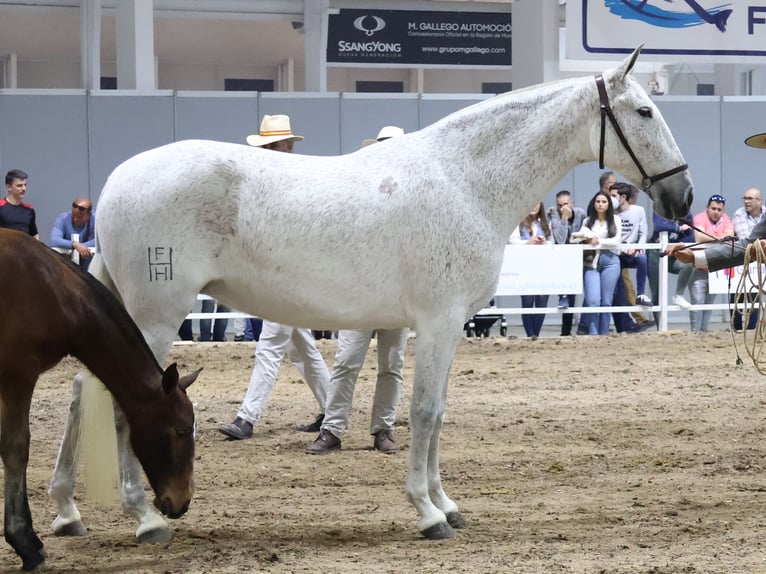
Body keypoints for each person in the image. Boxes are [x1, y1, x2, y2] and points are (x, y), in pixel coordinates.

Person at [220, 114, 329, 440]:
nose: (267, 150)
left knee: (269, 348)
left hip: (290, 278)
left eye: (272, 145)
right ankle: (334, 409)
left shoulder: (294, 183)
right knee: (302, 350)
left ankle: (246, 418)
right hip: (282, 276)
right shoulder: (277, 181)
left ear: (284, 146)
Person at [307, 125, 409, 455]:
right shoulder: (358, 193)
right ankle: (333, 428)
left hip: (397, 293)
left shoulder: (413, 196)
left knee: (391, 365)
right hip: (361, 291)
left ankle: (383, 428)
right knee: (347, 360)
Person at [571, 190, 622, 335]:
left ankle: (604, 333)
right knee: (592, 300)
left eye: (604, 202)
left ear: (608, 204)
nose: (600, 204)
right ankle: (593, 334)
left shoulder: (616, 220)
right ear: (594, 204)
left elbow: (616, 242)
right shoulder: (587, 220)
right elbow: (580, 236)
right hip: (591, 261)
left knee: (606, 301)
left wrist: (597, 241)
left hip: (610, 261)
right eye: (598, 201)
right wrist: (588, 239)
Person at [610, 182, 653, 333]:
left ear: (623, 197)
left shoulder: (638, 210)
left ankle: (641, 294)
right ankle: (623, 324)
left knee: (642, 258)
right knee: (619, 289)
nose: (611, 199)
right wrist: (623, 248)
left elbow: (643, 233)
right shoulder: (611, 213)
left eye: (613, 196)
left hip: (632, 252)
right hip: (616, 253)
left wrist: (637, 247)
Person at [687, 194, 734, 333]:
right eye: (713, 208)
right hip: (698, 268)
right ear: (707, 208)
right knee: (697, 301)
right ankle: (695, 332)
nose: (716, 212)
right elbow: (699, 237)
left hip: (715, 270)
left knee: (709, 304)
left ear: (723, 210)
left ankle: (704, 331)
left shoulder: (726, 219)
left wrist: (713, 238)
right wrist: (720, 238)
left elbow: (730, 236)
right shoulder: (699, 218)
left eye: (719, 209)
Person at [509, 201, 551, 339]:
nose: (533, 206)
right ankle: (529, 334)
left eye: (536, 203)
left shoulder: (545, 223)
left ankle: (536, 334)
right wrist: (528, 242)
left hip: (543, 267)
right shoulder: (518, 223)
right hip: (525, 267)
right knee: (527, 301)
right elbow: (513, 241)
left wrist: (543, 242)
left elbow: (553, 241)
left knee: (542, 301)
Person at [549, 190, 586, 336]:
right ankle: (565, 332)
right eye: (560, 205)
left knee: (574, 296)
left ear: (572, 203)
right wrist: (564, 219)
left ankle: (572, 329)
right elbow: (560, 239)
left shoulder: (581, 213)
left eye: (566, 204)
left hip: (578, 257)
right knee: (565, 296)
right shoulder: (554, 214)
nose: (563, 207)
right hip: (561, 259)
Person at [647, 211, 695, 317]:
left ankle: (679, 295)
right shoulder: (659, 207)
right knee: (656, 294)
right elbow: (659, 225)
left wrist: (675, 246)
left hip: (671, 253)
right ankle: (660, 327)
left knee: (688, 263)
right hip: (654, 252)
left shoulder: (686, 211)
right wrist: (678, 228)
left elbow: (689, 235)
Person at [729, 187, 764, 330]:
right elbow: (746, 238)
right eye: (745, 198)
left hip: (760, 259)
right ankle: (736, 328)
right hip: (744, 259)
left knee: (755, 294)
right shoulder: (739, 214)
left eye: (750, 198)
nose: (746, 201)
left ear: (759, 201)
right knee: (738, 295)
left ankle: (751, 329)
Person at [49, 198, 95, 271]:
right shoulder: (63, 218)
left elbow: (101, 241)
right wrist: (75, 244)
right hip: (67, 266)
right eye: (73, 216)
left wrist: (82, 247)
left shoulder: (96, 219)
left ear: (89, 215)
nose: (75, 219)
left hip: (90, 267)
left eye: (79, 217)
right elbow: (54, 240)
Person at [0, 169, 38, 239]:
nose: (24, 188)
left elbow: (34, 234)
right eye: (19, 185)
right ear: (9, 187)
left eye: (25, 185)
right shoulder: (1, 207)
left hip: (26, 248)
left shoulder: (29, 209)